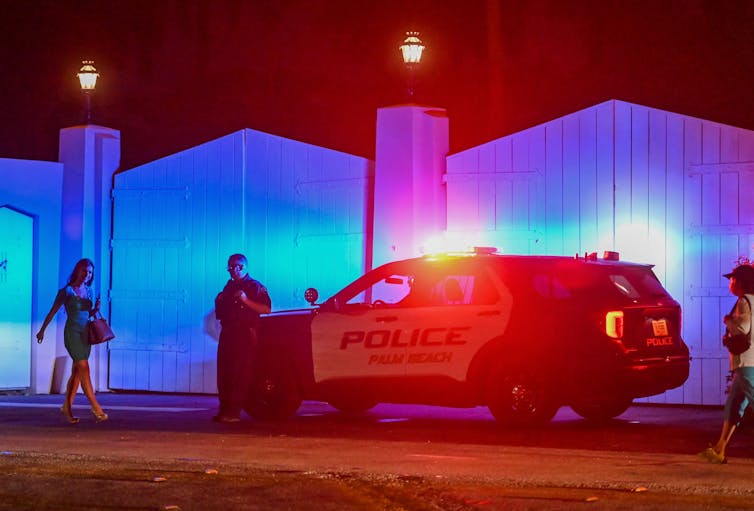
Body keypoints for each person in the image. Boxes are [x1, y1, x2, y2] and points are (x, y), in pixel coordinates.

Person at [36, 258, 108, 423]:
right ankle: (96, 408)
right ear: (77, 271)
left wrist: (96, 309)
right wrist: (42, 331)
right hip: (72, 334)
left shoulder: (89, 291)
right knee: (84, 367)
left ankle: (66, 408)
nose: (86, 275)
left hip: (85, 335)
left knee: (77, 373)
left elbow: (87, 315)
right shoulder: (67, 291)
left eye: (90, 272)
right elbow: (52, 311)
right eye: (84, 271)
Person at [698, 263, 754, 463]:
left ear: (741, 282)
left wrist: (728, 321)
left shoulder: (744, 301)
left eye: (732, 279)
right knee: (733, 405)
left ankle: (719, 449)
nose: (730, 283)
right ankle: (719, 449)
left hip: (748, 362)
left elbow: (742, 328)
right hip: (745, 363)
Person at [213, 253, 271, 423]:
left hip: (245, 334)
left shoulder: (254, 286)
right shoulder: (228, 287)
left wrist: (245, 300)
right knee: (225, 373)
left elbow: (266, 309)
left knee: (240, 373)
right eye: (231, 267)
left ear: (245, 267)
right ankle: (224, 410)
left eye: (238, 266)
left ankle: (233, 412)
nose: (234, 270)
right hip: (228, 333)